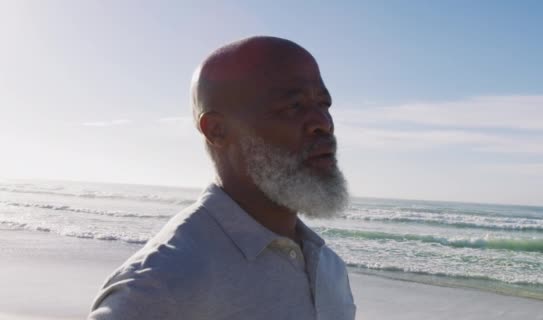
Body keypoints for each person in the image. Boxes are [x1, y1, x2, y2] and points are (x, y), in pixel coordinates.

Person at [88, 36, 356, 320]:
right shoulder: (161, 283)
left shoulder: (327, 267)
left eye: (324, 105)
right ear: (217, 130)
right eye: (294, 106)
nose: (323, 123)